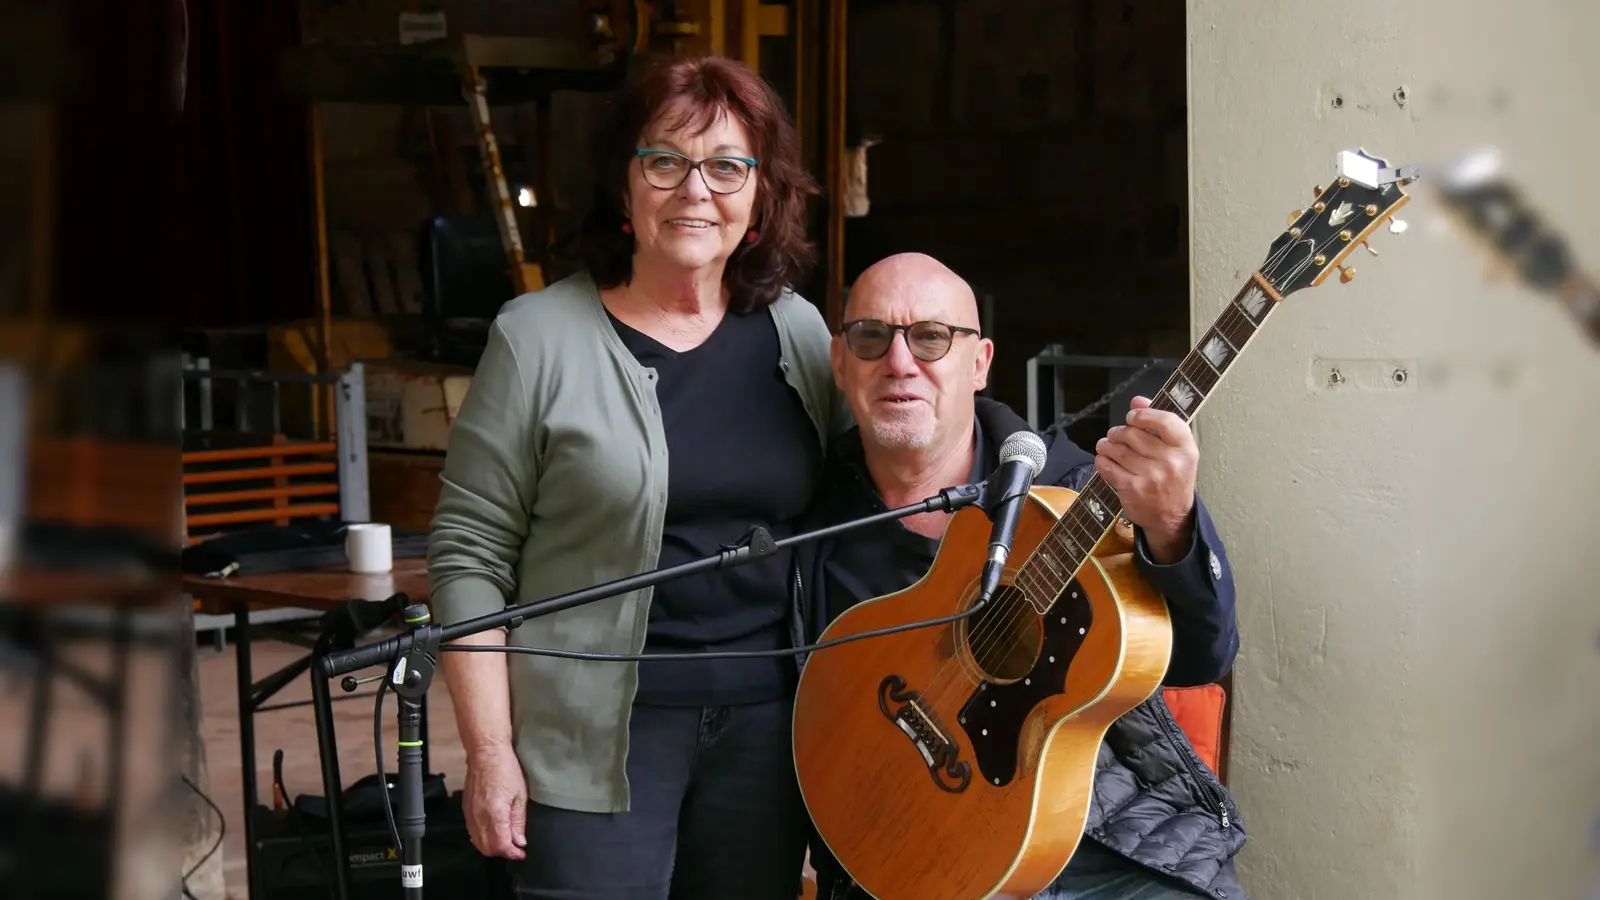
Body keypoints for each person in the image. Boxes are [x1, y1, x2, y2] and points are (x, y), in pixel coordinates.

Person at [428, 55, 847, 899]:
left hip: (767, 735)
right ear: (625, 188)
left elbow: (874, 484)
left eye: (728, 165)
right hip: (589, 740)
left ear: (762, 196)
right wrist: (489, 750)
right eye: (665, 160)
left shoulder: (800, 333)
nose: (697, 189)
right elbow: (468, 554)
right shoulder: (537, 337)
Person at [796, 253, 1247, 900]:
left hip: (1109, 848)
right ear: (840, 363)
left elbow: (1204, 654)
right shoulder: (812, 514)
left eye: (930, 337)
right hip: (905, 849)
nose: (899, 362)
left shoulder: (1067, 497)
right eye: (871, 336)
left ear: (979, 363)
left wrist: (1172, 525)